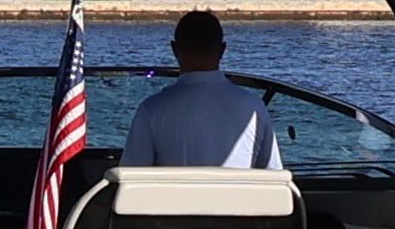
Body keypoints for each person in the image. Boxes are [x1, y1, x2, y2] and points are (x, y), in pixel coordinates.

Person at [115, 9, 281, 171]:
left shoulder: (151, 110)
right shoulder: (253, 107)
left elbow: (132, 177)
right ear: (223, 50)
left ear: (174, 49)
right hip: (237, 199)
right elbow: (273, 176)